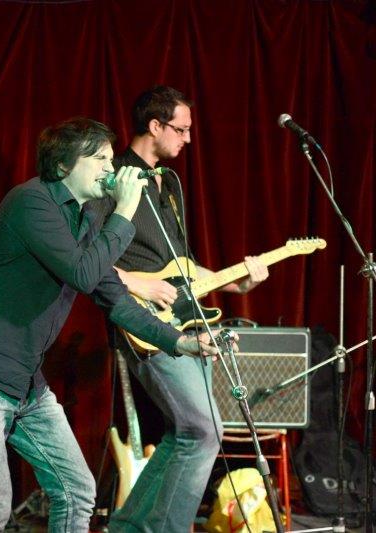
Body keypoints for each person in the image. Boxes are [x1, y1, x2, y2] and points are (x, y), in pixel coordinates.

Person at [0, 117, 221, 533]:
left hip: (24, 378)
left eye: (111, 158)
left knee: (77, 490)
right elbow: (83, 275)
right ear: (64, 165)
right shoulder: (31, 202)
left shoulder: (86, 220)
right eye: (100, 158)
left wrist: (181, 342)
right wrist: (125, 211)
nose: (111, 168)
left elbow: (116, 300)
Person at [108, 86, 268, 532]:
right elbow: (86, 258)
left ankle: (128, 526)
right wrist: (136, 282)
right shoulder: (114, 179)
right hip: (145, 322)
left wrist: (238, 282)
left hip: (189, 318)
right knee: (202, 430)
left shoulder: (170, 182)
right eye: (181, 129)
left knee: (188, 433)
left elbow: (184, 263)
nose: (188, 139)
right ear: (154, 125)